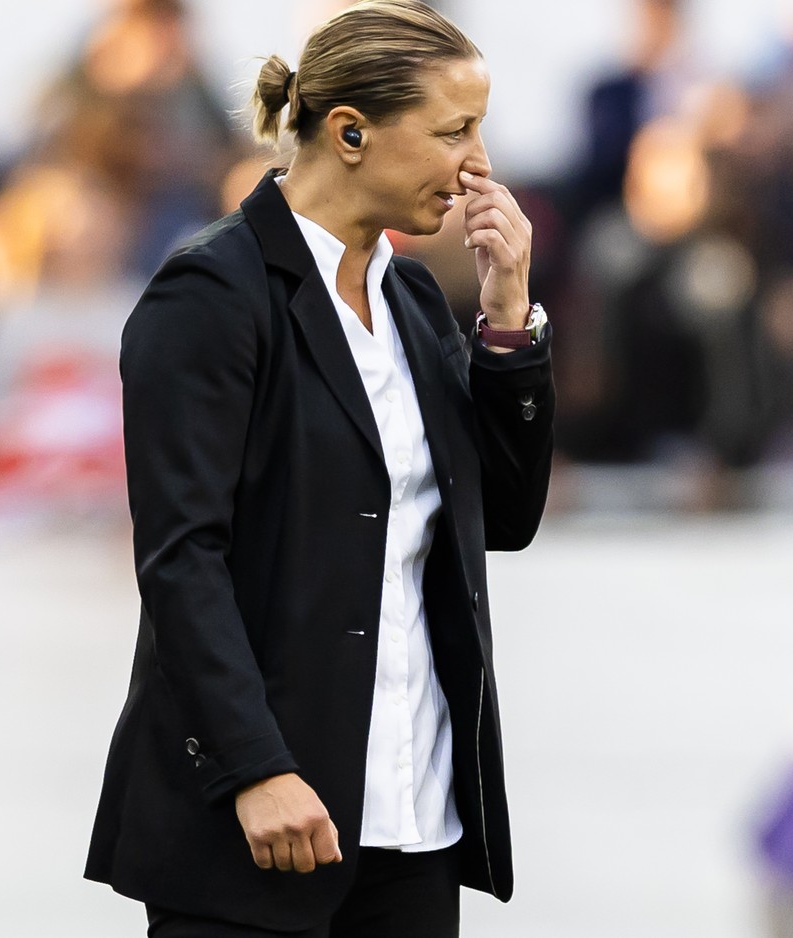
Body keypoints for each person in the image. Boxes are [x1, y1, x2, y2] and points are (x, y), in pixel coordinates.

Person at [83, 2, 555, 935]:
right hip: (255, 825)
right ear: (349, 132)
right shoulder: (211, 291)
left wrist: (508, 326)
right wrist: (254, 765)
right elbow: (181, 560)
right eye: (454, 130)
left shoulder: (415, 298)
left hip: (413, 823)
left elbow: (502, 518)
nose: (480, 165)